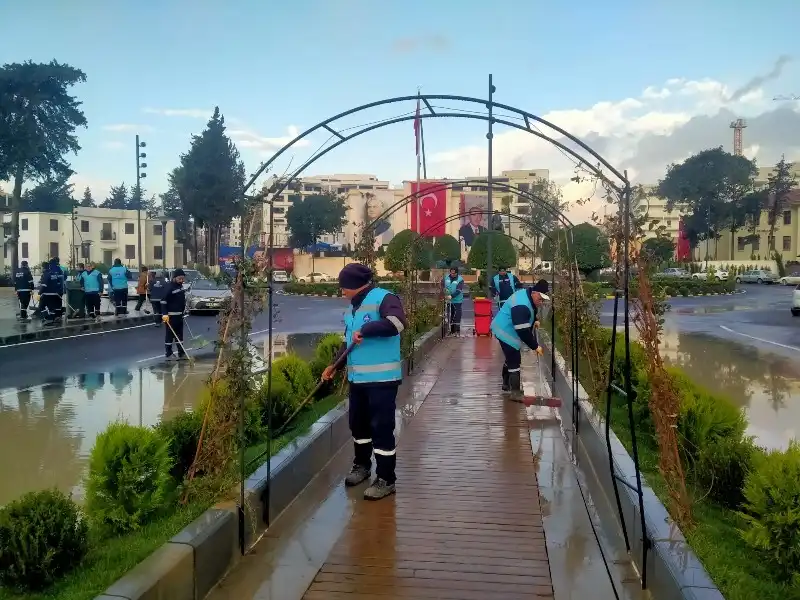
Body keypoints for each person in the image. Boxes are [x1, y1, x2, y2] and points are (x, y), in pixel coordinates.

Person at [322, 263, 407, 501]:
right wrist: (334, 365)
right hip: (357, 380)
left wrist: (368, 329)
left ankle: (386, 479)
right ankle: (362, 465)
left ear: (356, 285)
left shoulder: (384, 298)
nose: (342, 291)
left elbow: (398, 323)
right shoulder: (352, 308)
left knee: (381, 428)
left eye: (344, 287)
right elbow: (348, 341)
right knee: (358, 426)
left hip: (382, 380)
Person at [490, 285, 550, 393]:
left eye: (542, 300)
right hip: (505, 331)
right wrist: (535, 346)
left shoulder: (528, 295)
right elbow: (523, 331)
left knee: (510, 357)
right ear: (534, 293)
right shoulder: (521, 306)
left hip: (506, 327)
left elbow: (530, 310)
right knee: (514, 359)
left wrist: (534, 319)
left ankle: (506, 384)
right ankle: (515, 392)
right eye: (540, 299)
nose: (541, 302)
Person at [161, 268, 188, 360]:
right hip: (171, 315)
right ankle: (168, 353)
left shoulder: (180, 287)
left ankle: (181, 352)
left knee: (179, 335)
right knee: (170, 335)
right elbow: (163, 301)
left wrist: (183, 311)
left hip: (179, 315)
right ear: (174, 278)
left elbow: (181, 300)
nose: (181, 280)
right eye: (179, 278)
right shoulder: (169, 287)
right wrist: (164, 314)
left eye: (183, 278)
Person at [38, 258, 66, 325]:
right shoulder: (57, 271)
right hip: (56, 292)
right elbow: (59, 281)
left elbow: (44, 285)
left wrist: (39, 293)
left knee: (41, 306)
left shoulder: (47, 273)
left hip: (48, 293)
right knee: (53, 307)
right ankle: (54, 318)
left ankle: (48, 318)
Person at [442, 267, 464, 335]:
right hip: (448, 300)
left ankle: (457, 330)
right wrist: (444, 290)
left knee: (457, 315)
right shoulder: (446, 278)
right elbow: (442, 284)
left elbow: (459, 290)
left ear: (457, 273)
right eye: (451, 273)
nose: (452, 274)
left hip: (457, 300)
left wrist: (451, 296)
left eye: (454, 273)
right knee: (450, 314)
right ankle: (452, 330)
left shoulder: (460, 279)